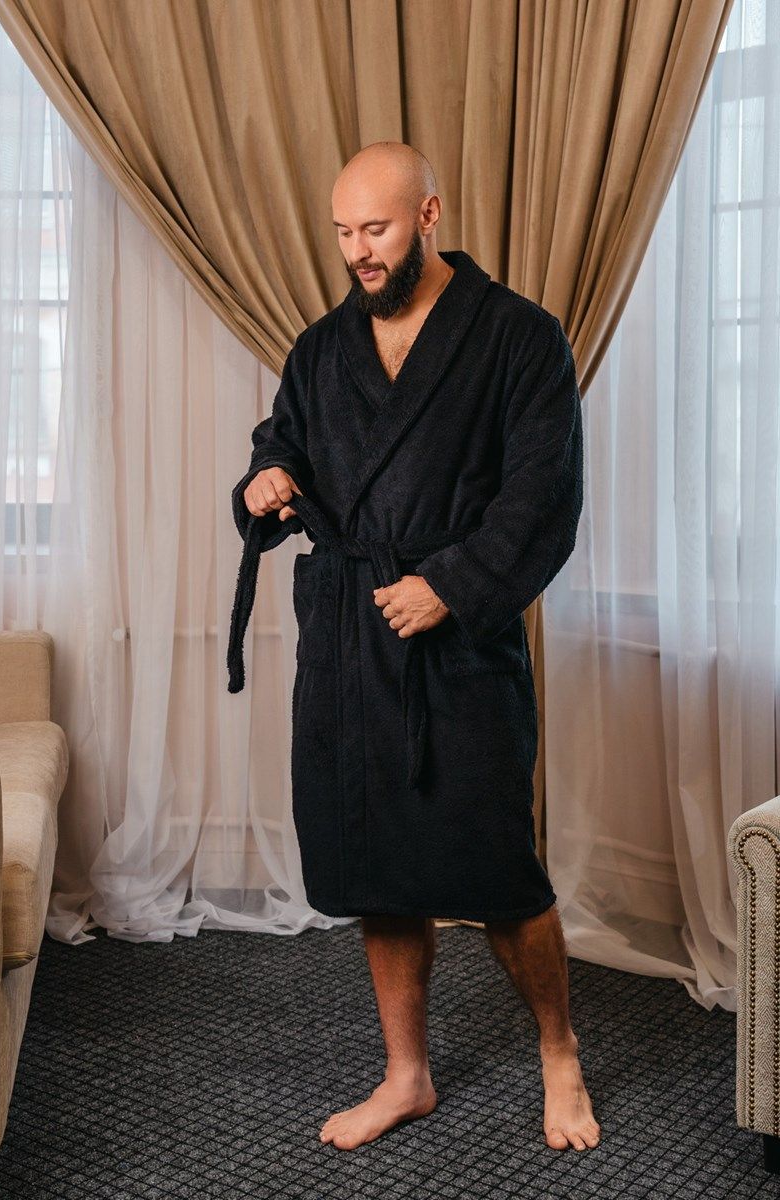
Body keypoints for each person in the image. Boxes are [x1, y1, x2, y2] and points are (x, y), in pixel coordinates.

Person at [227, 141, 599, 1153]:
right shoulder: (321, 348)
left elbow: (543, 497)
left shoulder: (519, 338)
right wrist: (264, 481)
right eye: (344, 232)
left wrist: (452, 587)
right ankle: (407, 1075)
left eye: (377, 229)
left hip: (458, 643)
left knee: (499, 870)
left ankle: (558, 1050)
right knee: (373, 866)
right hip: (349, 639)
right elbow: (282, 441)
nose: (358, 251)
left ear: (429, 215)